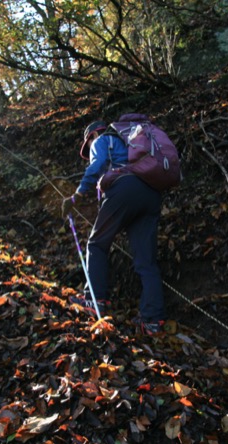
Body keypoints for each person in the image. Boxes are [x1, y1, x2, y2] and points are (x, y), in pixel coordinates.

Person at [62, 120, 166, 335]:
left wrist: (78, 195)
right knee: (146, 261)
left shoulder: (101, 140)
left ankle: (95, 300)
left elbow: (97, 165)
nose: (89, 148)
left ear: (92, 136)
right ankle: (152, 320)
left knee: (96, 244)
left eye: (87, 145)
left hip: (125, 188)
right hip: (151, 194)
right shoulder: (131, 146)